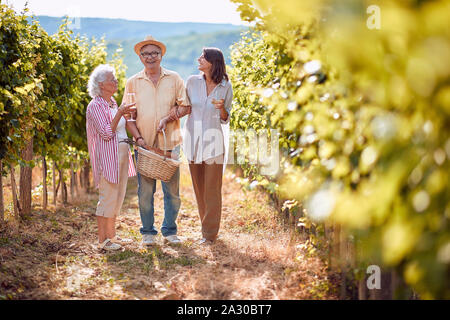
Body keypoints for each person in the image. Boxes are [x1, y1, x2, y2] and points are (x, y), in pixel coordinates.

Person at [160, 47, 233, 244]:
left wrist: (222, 109)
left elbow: (226, 119)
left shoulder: (225, 85)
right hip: (193, 141)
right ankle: (205, 229)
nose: (199, 59)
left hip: (214, 142)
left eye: (203, 57)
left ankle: (210, 234)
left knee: (212, 189)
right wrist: (168, 117)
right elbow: (185, 108)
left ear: (213, 62)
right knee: (199, 188)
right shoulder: (192, 82)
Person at [124, 35, 191, 246]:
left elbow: (185, 107)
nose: (150, 57)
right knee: (145, 192)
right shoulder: (133, 82)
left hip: (169, 143)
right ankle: (147, 233)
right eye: (146, 54)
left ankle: (170, 231)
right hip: (145, 146)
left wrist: (169, 116)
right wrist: (139, 138)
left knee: (172, 192)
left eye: (154, 53)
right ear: (140, 57)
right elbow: (128, 116)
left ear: (161, 55)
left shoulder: (174, 78)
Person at [86, 64, 137, 251]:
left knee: (118, 196)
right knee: (107, 197)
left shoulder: (113, 102)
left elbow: (121, 127)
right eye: (111, 79)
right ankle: (103, 240)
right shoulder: (95, 105)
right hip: (109, 157)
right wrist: (120, 114)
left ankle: (112, 236)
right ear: (101, 84)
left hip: (122, 154)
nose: (115, 81)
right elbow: (107, 133)